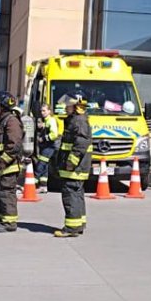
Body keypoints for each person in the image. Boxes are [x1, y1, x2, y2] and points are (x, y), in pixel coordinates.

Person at [54, 90, 92, 238]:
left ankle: (71, 227)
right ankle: (78, 224)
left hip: (74, 167)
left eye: (68, 104)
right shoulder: (75, 119)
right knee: (76, 194)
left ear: (77, 105)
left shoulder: (79, 121)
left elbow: (81, 144)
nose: (66, 107)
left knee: (71, 195)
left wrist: (71, 162)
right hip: (75, 167)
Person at [0, 91, 24, 232]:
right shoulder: (1, 120)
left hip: (9, 165)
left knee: (6, 193)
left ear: (4, 106)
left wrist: (3, 160)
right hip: (0, 165)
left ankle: (9, 223)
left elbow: (14, 145)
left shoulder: (11, 121)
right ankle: (0, 218)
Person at [33, 103, 59, 191]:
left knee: (40, 165)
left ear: (49, 111)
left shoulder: (51, 120)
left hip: (49, 147)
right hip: (45, 147)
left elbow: (54, 134)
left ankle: (32, 185)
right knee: (45, 166)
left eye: (44, 110)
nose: (42, 112)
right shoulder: (45, 120)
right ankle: (43, 186)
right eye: (41, 111)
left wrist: (44, 138)